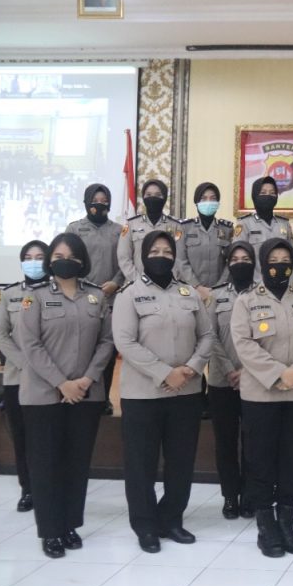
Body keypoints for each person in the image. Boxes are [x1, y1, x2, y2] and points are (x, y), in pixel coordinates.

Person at [113, 230, 214, 554]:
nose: (161, 256)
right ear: (143, 255)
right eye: (154, 251)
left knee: (181, 462)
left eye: (167, 251)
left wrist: (191, 368)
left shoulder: (189, 293)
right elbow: (124, 341)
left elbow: (207, 335)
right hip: (143, 394)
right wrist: (164, 372)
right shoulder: (129, 294)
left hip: (186, 392)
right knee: (141, 465)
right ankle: (145, 526)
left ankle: (171, 519)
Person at [15, 233, 114, 558]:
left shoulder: (96, 296)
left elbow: (107, 341)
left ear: (82, 260)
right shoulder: (35, 297)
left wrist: (86, 379)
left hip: (86, 394)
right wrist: (62, 383)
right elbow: (30, 345)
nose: (64, 260)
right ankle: (50, 530)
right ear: (49, 261)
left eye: (71, 255)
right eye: (57, 256)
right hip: (44, 395)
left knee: (76, 463)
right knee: (45, 464)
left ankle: (70, 524)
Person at [231, 238, 293, 558]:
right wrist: (278, 374)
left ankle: (287, 521)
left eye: (286, 259)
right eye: (274, 260)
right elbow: (243, 344)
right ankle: (266, 525)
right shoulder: (246, 301)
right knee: (260, 461)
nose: (280, 265)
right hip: (260, 395)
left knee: (291, 460)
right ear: (263, 263)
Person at [0, 240, 49, 513]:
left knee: (49, 438)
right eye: (28, 257)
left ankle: (51, 488)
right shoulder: (10, 294)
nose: (34, 262)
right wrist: (26, 364)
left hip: (53, 380)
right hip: (19, 377)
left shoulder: (60, 292)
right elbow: (1, 335)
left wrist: (45, 368)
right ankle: (28, 489)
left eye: (40, 257)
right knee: (22, 437)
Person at [204, 241, 258, 520]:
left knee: (252, 442)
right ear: (227, 263)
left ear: (254, 262)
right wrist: (228, 370)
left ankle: (249, 495)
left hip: (256, 381)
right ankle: (229, 496)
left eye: (245, 258)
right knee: (225, 443)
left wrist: (247, 371)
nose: (240, 263)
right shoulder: (216, 295)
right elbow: (209, 336)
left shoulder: (262, 294)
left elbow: (267, 338)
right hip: (221, 381)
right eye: (235, 259)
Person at [67, 183, 125, 414]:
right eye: (95, 200)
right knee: (82, 349)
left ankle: (104, 399)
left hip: (111, 299)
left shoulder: (119, 231)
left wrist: (116, 283)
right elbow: (68, 260)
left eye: (104, 201)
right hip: (81, 298)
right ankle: (79, 392)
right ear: (86, 201)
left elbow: (125, 262)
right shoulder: (74, 229)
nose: (100, 204)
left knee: (106, 351)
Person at [117, 179, 183, 281]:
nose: (153, 198)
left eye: (158, 195)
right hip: (137, 284)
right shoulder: (130, 224)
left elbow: (180, 258)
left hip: (168, 284)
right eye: (148, 195)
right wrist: (139, 281)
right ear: (143, 198)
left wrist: (169, 281)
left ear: (165, 198)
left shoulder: (176, 226)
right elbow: (123, 257)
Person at [178, 182, 233, 300]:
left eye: (213, 199)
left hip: (220, 293)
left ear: (218, 203)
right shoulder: (184, 228)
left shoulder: (226, 229)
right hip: (190, 292)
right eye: (203, 198)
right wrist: (197, 287)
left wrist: (218, 288)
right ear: (196, 203)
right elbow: (180, 260)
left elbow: (231, 261)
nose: (208, 202)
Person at [233, 176, 293, 275]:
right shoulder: (244, 224)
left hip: (281, 282)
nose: (268, 196)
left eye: (272, 193)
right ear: (255, 196)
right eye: (263, 193)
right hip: (254, 283)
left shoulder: (284, 224)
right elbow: (238, 259)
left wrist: (288, 281)